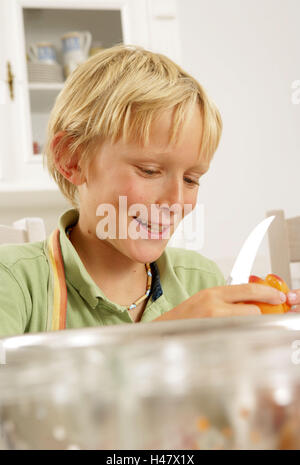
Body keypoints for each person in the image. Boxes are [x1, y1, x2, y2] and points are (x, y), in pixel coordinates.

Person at [0, 45, 297, 337]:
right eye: (150, 171)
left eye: (191, 179)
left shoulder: (201, 279)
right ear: (72, 158)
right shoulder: (13, 280)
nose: (176, 201)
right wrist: (156, 340)